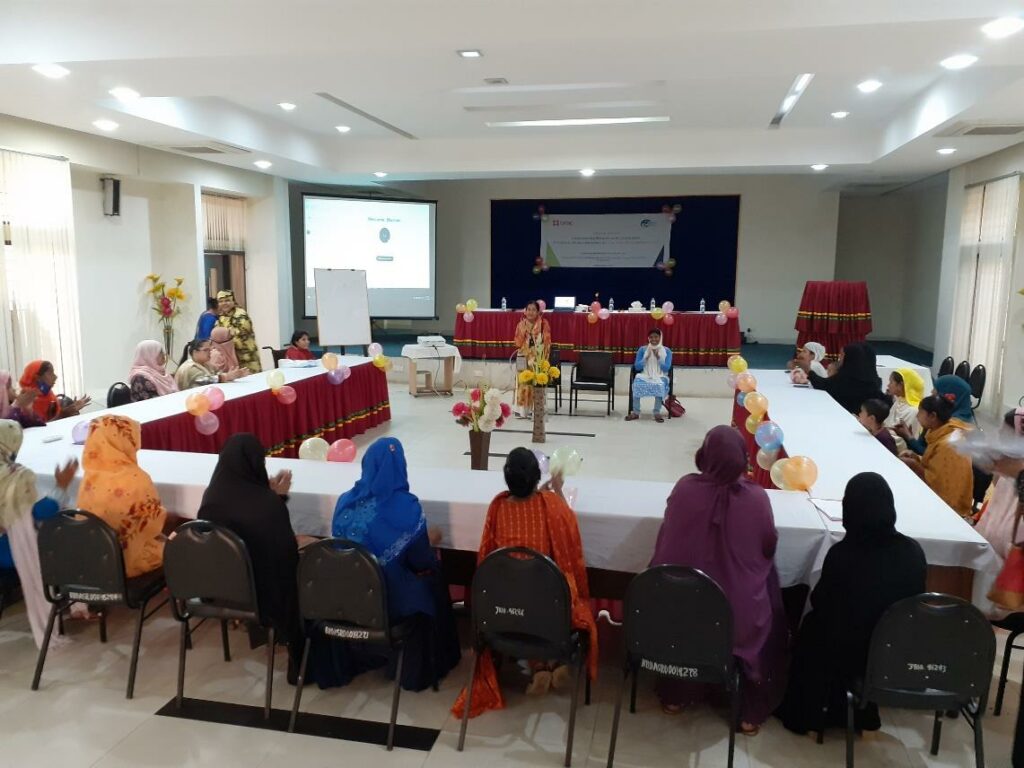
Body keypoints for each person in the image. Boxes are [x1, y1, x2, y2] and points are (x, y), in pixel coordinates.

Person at [650, 425, 788, 734]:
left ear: (704, 455)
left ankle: (676, 694)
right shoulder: (756, 498)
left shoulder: (685, 489)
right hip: (735, 619)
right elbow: (769, 545)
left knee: (685, 600)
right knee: (766, 589)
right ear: (742, 458)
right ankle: (748, 710)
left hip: (683, 612)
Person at [776, 472, 927, 735]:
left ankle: (811, 709)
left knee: (812, 626)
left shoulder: (843, 554)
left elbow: (821, 602)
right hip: (893, 652)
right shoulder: (912, 552)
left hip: (846, 652)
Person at [452, 447, 597, 718]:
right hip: (547, 609)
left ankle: (540, 665)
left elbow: (486, 553)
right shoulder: (552, 506)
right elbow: (568, 530)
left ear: (506, 479)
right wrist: (556, 491)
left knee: (522, 591)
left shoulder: (498, 506)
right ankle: (553, 660)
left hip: (504, 608)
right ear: (535, 477)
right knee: (557, 592)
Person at [314, 438, 460, 691]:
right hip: (387, 604)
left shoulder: (345, 501)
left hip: (346, 597)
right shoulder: (407, 506)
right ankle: (420, 669)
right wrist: (430, 539)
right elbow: (421, 562)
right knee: (433, 578)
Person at [197, 433, 303, 679]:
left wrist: (272, 497)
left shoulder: (211, 498)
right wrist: (277, 499)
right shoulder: (267, 504)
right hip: (261, 596)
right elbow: (284, 557)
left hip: (217, 589)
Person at [0, 420, 78, 648]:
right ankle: (78, 601)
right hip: (11, 547)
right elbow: (41, 511)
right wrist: (61, 485)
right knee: (70, 532)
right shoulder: (16, 476)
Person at [78, 415, 167, 577]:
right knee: (180, 542)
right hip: (129, 561)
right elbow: (151, 525)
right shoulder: (136, 478)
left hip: (96, 558)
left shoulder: (89, 477)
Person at [900, 394, 974, 517]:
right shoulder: (941, 431)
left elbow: (938, 483)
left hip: (951, 509)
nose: (917, 416)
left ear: (933, 416)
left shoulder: (949, 445)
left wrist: (913, 464)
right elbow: (933, 466)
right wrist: (916, 458)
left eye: (920, 412)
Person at [972, 409, 1023, 561]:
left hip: (1011, 559)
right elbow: (995, 508)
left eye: (1006, 431)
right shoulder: (1007, 470)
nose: (1000, 434)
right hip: (992, 552)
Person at [896, 374, 975, 455]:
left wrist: (909, 438)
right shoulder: (937, 416)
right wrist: (908, 437)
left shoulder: (955, 427)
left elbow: (932, 457)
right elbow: (923, 447)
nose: (931, 395)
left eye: (935, 394)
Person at [807, 342, 884, 414]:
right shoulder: (875, 380)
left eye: (842, 355)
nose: (840, 358)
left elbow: (823, 385)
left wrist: (808, 371)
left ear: (850, 358)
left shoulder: (845, 379)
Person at [513, 300, 551, 418]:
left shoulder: (544, 324)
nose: (530, 312)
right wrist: (523, 333)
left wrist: (543, 359)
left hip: (538, 358)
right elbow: (517, 343)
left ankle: (536, 408)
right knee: (523, 382)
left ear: (538, 312)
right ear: (525, 311)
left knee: (536, 382)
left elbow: (547, 342)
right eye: (528, 309)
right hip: (523, 357)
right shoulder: (521, 324)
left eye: (533, 310)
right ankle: (522, 410)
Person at [19, 361, 90, 422]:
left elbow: (54, 417)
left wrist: (70, 409)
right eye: (50, 373)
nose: (55, 377)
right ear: (38, 378)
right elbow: (39, 428)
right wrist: (63, 414)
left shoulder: (48, 394)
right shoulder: (26, 399)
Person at [625, 328, 672, 422]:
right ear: (648, 338)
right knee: (637, 383)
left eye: (656, 337)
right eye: (651, 337)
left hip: (660, 375)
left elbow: (666, 368)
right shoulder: (643, 350)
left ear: (660, 337)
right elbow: (637, 367)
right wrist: (645, 358)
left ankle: (656, 412)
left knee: (660, 385)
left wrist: (659, 357)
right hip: (645, 374)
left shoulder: (667, 351)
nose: (653, 339)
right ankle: (636, 412)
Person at [216, 289, 262, 374]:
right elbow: (216, 335)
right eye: (221, 301)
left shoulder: (240, 314)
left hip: (247, 358)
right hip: (231, 359)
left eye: (227, 300)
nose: (224, 303)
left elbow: (240, 332)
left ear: (233, 301)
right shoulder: (221, 317)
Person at [175, 338, 248, 390]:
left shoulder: (206, 364)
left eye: (210, 350)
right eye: (206, 350)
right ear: (195, 352)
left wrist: (233, 375)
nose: (210, 352)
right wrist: (227, 377)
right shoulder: (190, 367)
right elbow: (205, 381)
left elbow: (218, 374)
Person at [883, 369, 923, 453]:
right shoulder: (899, 401)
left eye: (891, 382)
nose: (888, 385)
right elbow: (888, 424)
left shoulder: (914, 410)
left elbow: (906, 439)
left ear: (900, 385)